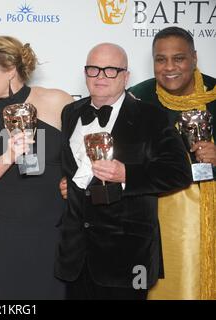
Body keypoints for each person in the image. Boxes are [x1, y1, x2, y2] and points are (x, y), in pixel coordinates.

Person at [54, 42, 192, 300]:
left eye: (110, 70)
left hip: (128, 256)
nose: (100, 76)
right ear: (85, 73)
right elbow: (75, 166)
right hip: (76, 254)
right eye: (93, 69)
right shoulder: (71, 112)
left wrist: (127, 175)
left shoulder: (151, 116)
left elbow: (179, 172)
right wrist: (69, 182)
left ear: (126, 76)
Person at [0, 35, 74, 299]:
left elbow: (80, 159)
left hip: (53, 226)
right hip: (5, 230)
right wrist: (10, 153)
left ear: (10, 70)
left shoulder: (58, 101)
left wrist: (71, 181)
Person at [129, 26, 216, 300]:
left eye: (178, 58)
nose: (169, 67)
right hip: (153, 214)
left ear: (194, 58)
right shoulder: (137, 98)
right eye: (160, 59)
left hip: (207, 217)